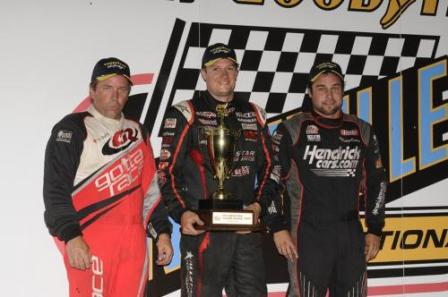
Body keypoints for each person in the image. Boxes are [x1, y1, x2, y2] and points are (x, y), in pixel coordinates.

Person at [158, 43, 297, 297]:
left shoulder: (254, 113)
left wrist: (258, 206)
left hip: (245, 232)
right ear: (203, 74)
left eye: (229, 68)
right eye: (216, 69)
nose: (224, 75)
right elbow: (166, 171)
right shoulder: (186, 112)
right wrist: (182, 213)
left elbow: (273, 169)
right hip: (202, 230)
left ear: (237, 72)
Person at [43, 57, 173, 297]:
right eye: (107, 88)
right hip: (91, 236)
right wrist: (72, 237)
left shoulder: (138, 130)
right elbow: (55, 191)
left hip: (133, 241)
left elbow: (151, 190)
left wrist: (162, 232)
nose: (115, 96)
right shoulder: (72, 128)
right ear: (92, 90)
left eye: (122, 89)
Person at [271, 61, 387, 297]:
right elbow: (270, 181)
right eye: (321, 88)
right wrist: (277, 227)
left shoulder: (363, 131)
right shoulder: (291, 130)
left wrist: (374, 228)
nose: (329, 95)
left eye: (335, 87)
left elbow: (378, 183)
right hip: (307, 235)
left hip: (351, 236)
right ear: (310, 92)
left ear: (343, 90)